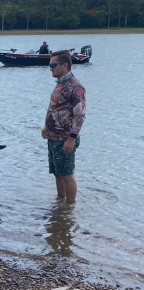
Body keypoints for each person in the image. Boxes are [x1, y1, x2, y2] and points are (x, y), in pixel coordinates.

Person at [41, 50, 86, 204]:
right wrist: (47, 127)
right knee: (57, 173)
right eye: (50, 65)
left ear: (64, 65)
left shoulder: (75, 87)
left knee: (67, 174)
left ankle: (69, 207)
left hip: (65, 139)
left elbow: (80, 115)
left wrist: (71, 139)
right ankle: (60, 199)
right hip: (53, 136)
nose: (50, 68)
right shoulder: (60, 85)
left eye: (53, 65)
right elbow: (54, 108)